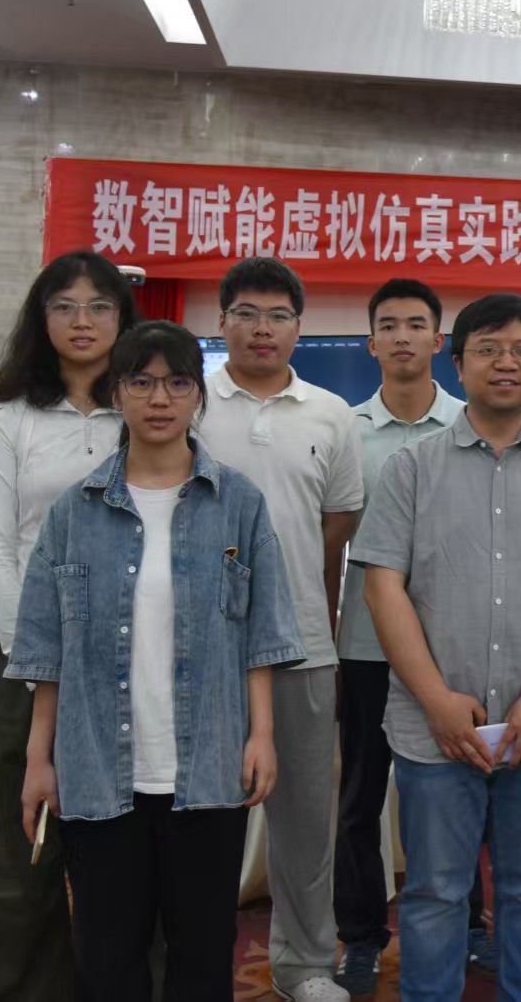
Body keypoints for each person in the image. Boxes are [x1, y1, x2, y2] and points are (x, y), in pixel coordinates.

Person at [10, 322, 305, 1002]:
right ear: (116, 394)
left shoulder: (238, 503)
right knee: (107, 958)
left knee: (202, 955)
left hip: (207, 767)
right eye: (140, 382)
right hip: (97, 769)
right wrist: (37, 757)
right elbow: (46, 648)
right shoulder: (74, 511)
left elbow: (261, 634)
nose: (159, 398)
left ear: (198, 395)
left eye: (177, 382)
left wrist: (261, 734)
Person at [356, 293, 521, 1002]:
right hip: (436, 729)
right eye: (489, 348)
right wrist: (435, 699)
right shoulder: (410, 468)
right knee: (436, 891)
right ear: (458, 361)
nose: (506, 362)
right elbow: (383, 588)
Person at [195, 257, 364, 1002]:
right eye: (246, 313)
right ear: (222, 321)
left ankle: (305, 965)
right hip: (199, 646)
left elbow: (336, 525)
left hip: (301, 643)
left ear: (299, 326)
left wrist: (298, 600)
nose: (261, 329)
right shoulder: (190, 401)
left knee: (304, 819)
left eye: (277, 315)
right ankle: (198, 964)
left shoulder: (331, 413)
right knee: (200, 818)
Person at [0, 249, 136, 1002]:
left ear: (123, 319)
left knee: (128, 840)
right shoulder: (9, 420)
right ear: (42, 320)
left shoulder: (146, 410)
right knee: (24, 839)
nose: (82, 321)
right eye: (64, 306)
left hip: (132, 657)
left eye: (99, 305)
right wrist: (35, 656)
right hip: (23, 656)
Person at [333, 279, 468, 996]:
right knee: (359, 797)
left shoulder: (469, 425)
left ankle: (469, 922)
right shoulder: (345, 430)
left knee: (457, 790)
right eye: (389, 325)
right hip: (363, 644)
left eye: (417, 324)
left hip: (451, 646)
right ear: (371, 343)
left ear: (438, 341)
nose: (403, 336)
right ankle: (360, 935)